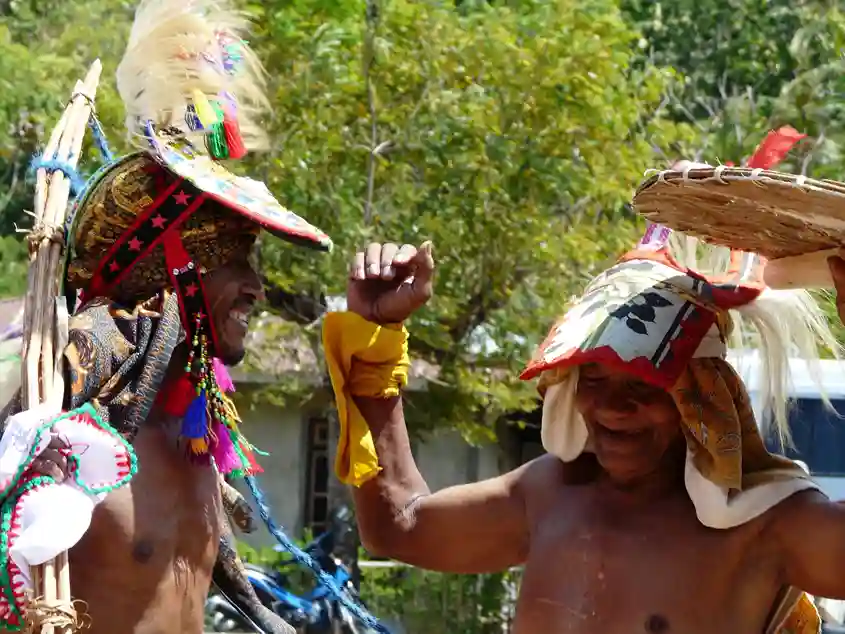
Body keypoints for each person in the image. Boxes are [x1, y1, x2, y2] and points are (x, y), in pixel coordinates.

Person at [322, 230, 845, 634]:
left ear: (700, 395)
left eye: (646, 383)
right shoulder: (548, 493)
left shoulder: (764, 523)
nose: (615, 408)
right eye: (593, 377)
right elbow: (399, 527)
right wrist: (375, 337)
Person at [0, 1, 332, 632]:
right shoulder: (66, 424)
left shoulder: (193, 438)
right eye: (236, 263)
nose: (258, 289)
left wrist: (265, 615)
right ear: (177, 269)